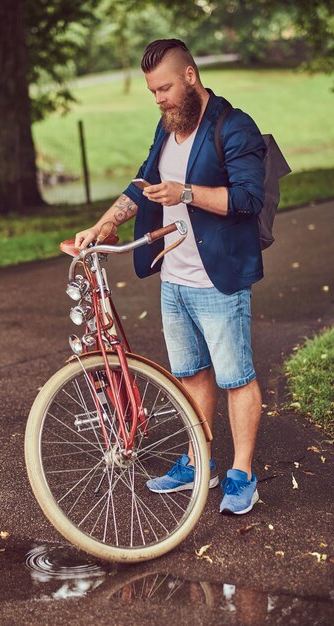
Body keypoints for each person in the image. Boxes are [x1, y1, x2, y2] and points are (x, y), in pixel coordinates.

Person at [75, 39, 266, 515]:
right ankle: (198, 460)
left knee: (235, 377)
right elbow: (143, 183)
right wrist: (107, 222)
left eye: (164, 88)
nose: (158, 98)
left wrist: (187, 193)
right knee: (190, 374)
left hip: (218, 280)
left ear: (190, 76)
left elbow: (247, 200)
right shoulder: (167, 128)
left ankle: (243, 474)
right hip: (175, 278)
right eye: (151, 91)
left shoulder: (234, 126)